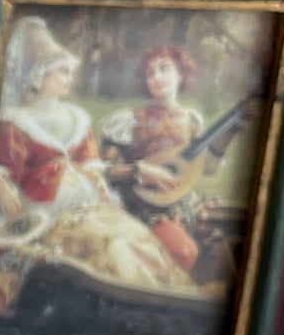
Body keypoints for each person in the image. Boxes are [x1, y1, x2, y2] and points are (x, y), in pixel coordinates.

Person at [0, 17, 195, 318]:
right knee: (113, 246)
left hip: (88, 204)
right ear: (40, 77)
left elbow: (91, 164)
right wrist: (1, 182)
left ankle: (174, 301)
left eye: (70, 72)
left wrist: (98, 182)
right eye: (63, 72)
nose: (70, 78)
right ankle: (148, 309)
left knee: (135, 235)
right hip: (46, 210)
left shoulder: (76, 118)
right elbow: (5, 165)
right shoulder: (16, 122)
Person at [99, 45, 241, 282]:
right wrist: (139, 171)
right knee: (183, 251)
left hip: (185, 206)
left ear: (181, 75)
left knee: (234, 231)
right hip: (144, 209)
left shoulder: (191, 120)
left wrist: (231, 131)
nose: (156, 77)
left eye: (164, 69)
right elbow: (102, 172)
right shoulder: (128, 120)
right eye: (150, 73)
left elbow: (207, 168)